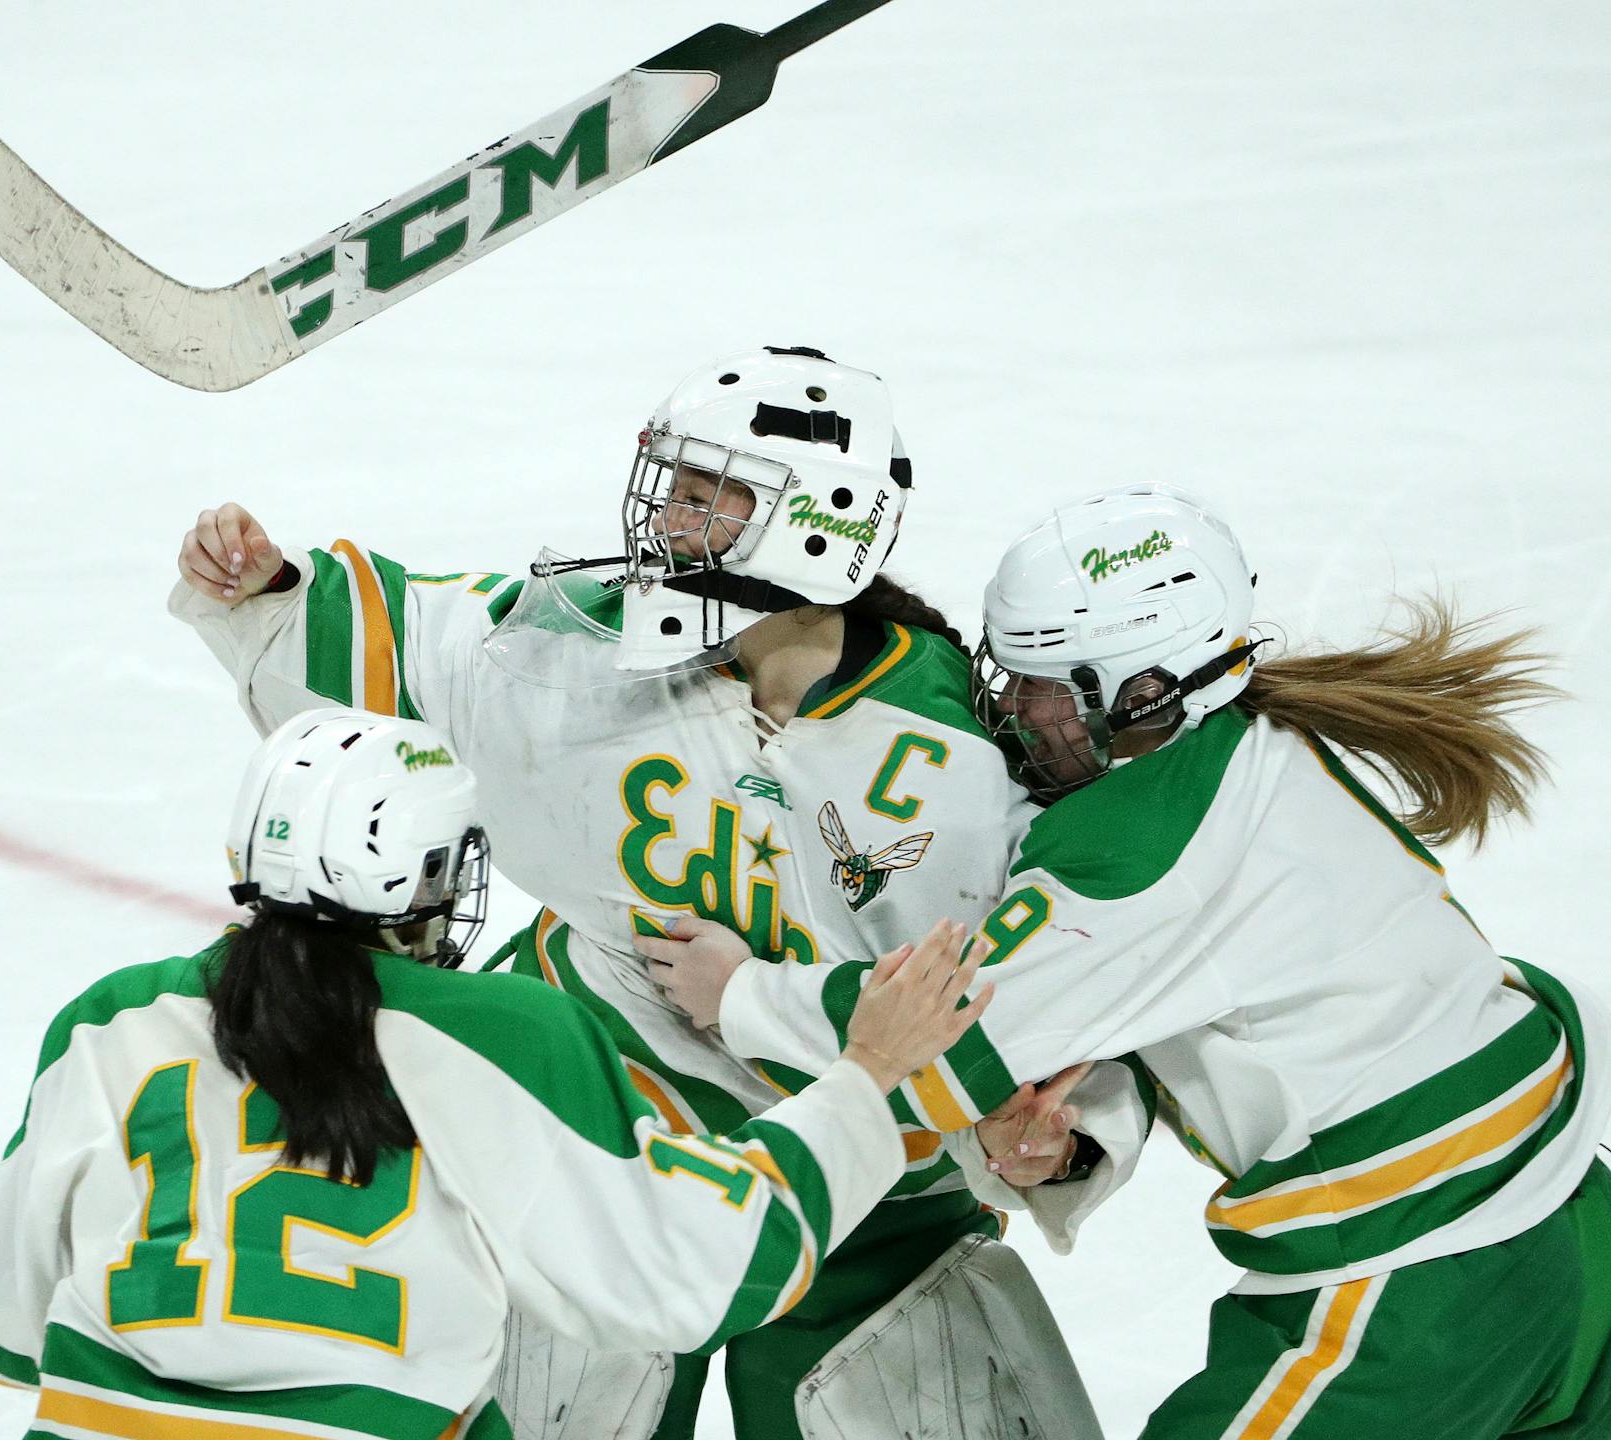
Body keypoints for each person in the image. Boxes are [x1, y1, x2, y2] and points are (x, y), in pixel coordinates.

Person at [171, 346, 1121, 1440]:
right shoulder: (589, 643)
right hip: (597, 1147)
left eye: (709, 493)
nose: (666, 515)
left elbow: (1072, 974)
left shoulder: (959, 760)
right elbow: (424, 645)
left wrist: (1068, 1139)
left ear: (820, 522)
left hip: (872, 1201)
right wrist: (269, 590)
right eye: (673, 481)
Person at [650, 484, 1611, 1438]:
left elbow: (944, 1038)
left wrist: (742, 996)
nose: (1012, 708)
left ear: (1148, 692)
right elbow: (1168, 1000)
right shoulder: (1253, 748)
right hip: (1564, 1219)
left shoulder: (1139, 843)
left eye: (1045, 686)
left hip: (1431, 1273)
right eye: (1010, 672)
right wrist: (1070, 1145)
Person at [0, 707, 992, 1440]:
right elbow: (700, 1266)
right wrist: (867, 1071)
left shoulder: (112, 1018)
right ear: (426, 876)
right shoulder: (503, 1032)